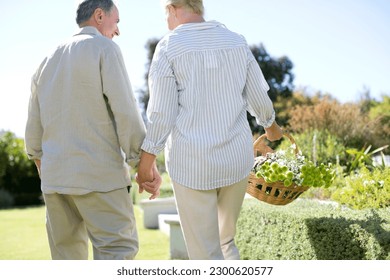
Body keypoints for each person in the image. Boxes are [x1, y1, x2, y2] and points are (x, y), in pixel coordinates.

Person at [136, 0, 283, 260]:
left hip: (192, 164)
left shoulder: (169, 47)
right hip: (235, 162)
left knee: (205, 254)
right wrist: (271, 128)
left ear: (171, 9)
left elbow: (161, 113)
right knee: (226, 242)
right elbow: (258, 97)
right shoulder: (236, 42)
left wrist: (146, 163)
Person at [25, 0, 160, 260]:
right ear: (99, 15)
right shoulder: (105, 48)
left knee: (66, 261)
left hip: (55, 184)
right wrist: (142, 166)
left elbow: (33, 129)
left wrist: (47, 168)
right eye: (116, 21)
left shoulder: (46, 59)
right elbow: (126, 113)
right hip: (100, 179)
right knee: (117, 252)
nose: (117, 30)